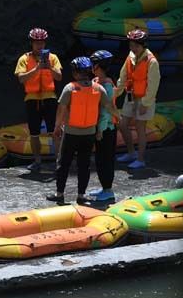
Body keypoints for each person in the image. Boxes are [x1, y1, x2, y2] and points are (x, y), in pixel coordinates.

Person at [48, 57, 111, 205]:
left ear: (76, 73)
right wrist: (116, 118)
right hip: (89, 134)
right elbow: (107, 107)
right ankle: (81, 195)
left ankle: (59, 194)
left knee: (63, 163)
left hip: (71, 133)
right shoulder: (99, 88)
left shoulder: (69, 88)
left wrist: (57, 127)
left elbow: (61, 109)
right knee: (84, 165)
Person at [13, 28, 63, 171]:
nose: (39, 46)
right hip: (32, 99)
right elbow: (21, 79)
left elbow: (59, 77)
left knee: (54, 131)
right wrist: (36, 69)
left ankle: (59, 160)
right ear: (32, 43)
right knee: (34, 132)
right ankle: (37, 161)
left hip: (49, 97)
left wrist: (48, 67)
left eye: (41, 43)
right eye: (36, 43)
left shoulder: (52, 58)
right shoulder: (24, 59)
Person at [113, 28, 161, 169]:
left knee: (140, 128)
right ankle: (131, 152)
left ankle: (140, 159)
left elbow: (153, 85)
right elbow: (123, 77)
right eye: (131, 45)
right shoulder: (130, 57)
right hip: (131, 96)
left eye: (136, 45)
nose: (133, 48)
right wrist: (115, 94)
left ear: (143, 45)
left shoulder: (151, 61)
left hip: (145, 99)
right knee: (122, 124)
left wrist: (145, 103)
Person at [87, 50, 120, 202]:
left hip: (106, 129)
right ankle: (104, 187)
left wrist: (100, 130)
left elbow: (106, 112)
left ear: (98, 66)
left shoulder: (106, 85)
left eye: (93, 64)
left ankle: (108, 190)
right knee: (100, 158)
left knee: (105, 159)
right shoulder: (97, 81)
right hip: (100, 127)